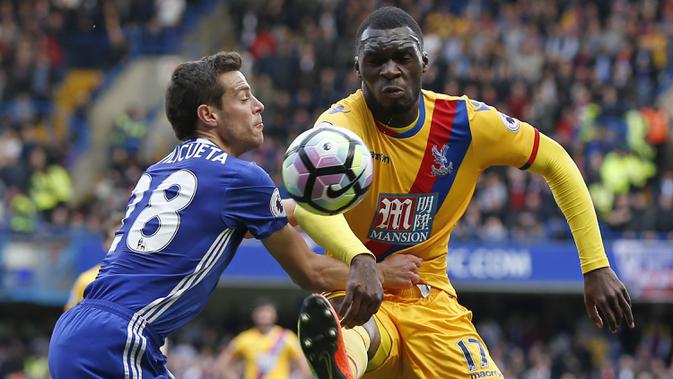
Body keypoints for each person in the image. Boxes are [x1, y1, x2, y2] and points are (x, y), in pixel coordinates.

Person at [291, 7, 635, 379]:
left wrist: (595, 263)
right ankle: (340, 359)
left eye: (402, 57)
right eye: (375, 60)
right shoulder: (339, 127)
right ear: (358, 69)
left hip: (429, 297)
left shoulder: (465, 123)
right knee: (354, 321)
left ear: (423, 60)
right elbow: (310, 205)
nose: (390, 69)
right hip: (360, 289)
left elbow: (556, 160)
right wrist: (360, 259)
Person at [47, 51, 388, 379]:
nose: (259, 105)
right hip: (119, 338)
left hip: (86, 331)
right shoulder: (241, 177)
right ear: (209, 115)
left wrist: (304, 209)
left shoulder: (159, 170)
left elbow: (242, 222)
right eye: (243, 97)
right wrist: (381, 273)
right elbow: (310, 272)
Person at [217, 300, 311, 379]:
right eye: (261, 312)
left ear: (275, 315)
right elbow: (223, 363)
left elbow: (304, 364)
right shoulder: (244, 338)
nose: (264, 315)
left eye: (268, 312)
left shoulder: (287, 337)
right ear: (254, 315)